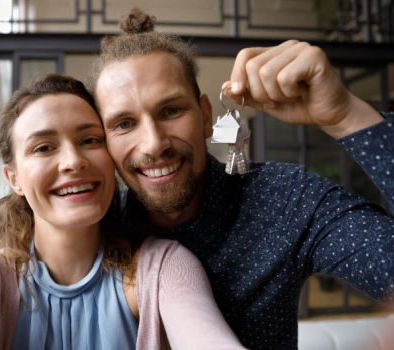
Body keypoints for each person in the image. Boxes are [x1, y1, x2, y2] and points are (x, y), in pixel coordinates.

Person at [87, 7, 394, 350]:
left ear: (205, 115)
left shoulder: (285, 199)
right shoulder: (96, 228)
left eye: (171, 111)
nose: (154, 144)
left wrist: (347, 116)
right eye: (124, 124)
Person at [0, 74, 246, 350]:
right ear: (12, 177)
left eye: (90, 140)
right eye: (44, 147)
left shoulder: (162, 268)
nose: (74, 162)